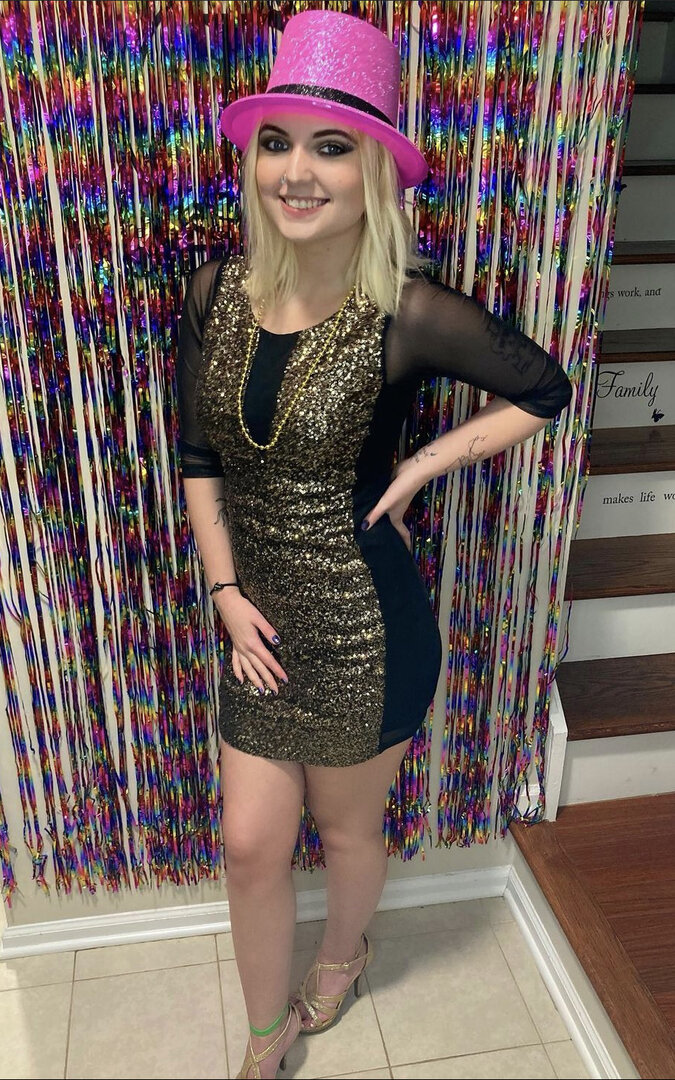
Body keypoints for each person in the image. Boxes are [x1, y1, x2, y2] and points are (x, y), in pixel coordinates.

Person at [176, 9, 573, 1078]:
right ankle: (265, 1040)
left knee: (349, 833)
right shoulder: (213, 295)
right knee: (250, 844)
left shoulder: (406, 312)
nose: (296, 172)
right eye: (276, 143)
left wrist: (422, 464)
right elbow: (199, 457)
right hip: (258, 625)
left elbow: (543, 389)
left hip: (370, 631)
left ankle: (343, 956)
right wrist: (223, 592)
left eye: (331, 147)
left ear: (374, 173)